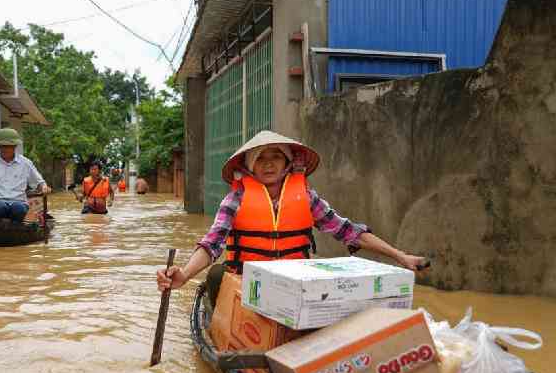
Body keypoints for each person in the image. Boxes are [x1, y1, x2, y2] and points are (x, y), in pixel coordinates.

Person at [156, 130, 429, 307]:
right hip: (249, 285)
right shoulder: (235, 200)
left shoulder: (307, 198)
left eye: (276, 157)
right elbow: (211, 244)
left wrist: (400, 256)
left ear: (288, 163)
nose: (269, 163)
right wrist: (184, 274)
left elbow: (349, 232)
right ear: (250, 167)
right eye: (261, 158)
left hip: (296, 285)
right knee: (216, 276)